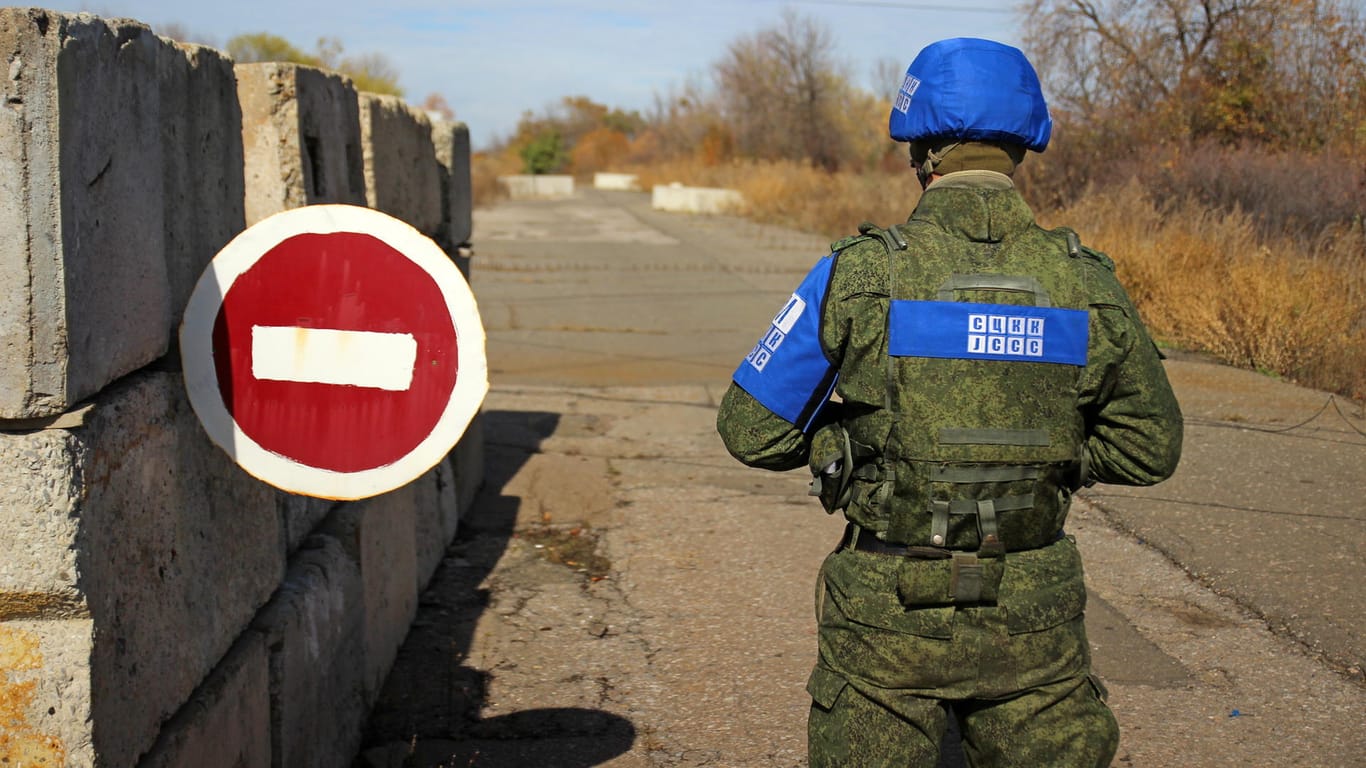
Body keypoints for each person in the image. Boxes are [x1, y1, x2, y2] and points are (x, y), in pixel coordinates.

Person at [715, 37, 1183, 767]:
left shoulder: (861, 272)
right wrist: (1043, 451)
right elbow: (1148, 447)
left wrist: (850, 445)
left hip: (886, 618)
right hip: (1035, 619)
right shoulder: (1088, 283)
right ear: (1023, 151)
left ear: (919, 151)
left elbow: (751, 430)